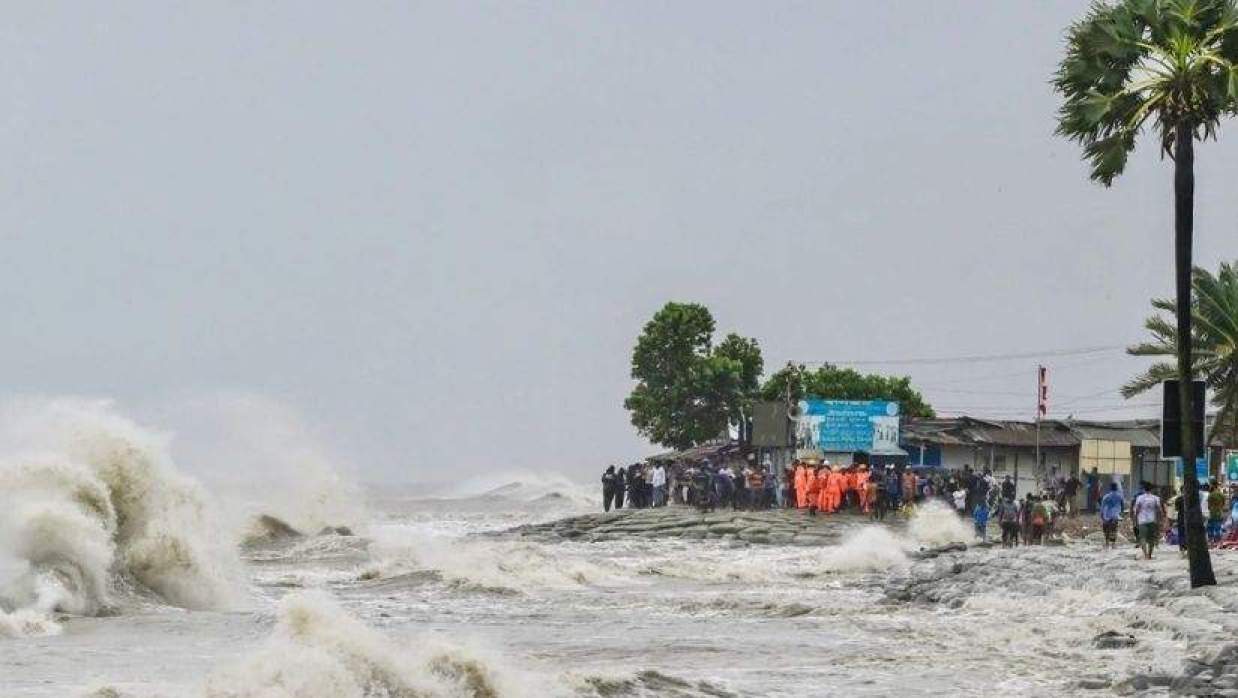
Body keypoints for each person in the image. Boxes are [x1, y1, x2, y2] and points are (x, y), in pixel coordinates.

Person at [1133, 482, 1163, 560]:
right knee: (1151, 539)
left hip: (1142, 520)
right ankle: (1149, 555)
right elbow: (1159, 510)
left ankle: (1145, 554)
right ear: (1152, 489)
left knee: (1142, 538)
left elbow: (1137, 510)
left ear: (1144, 489)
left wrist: (1135, 519)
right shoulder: (1156, 498)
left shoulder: (1139, 498)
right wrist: (1160, 520)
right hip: (1152, 520)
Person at [1099, 482, 1124, 549]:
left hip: (1106, 515)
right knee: (1114, 529)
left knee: (1106, 529)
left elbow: (1102, 507)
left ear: (1110, 488)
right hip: (1115, 515)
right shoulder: (1120, 496)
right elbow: (1122, 506)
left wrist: (1101, 515)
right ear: (1116, 488)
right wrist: (1121, 513)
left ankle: (1107, 544)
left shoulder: (1106, 496)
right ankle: (1113, 544)